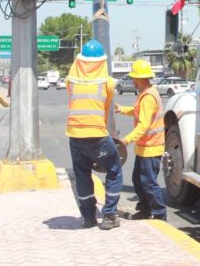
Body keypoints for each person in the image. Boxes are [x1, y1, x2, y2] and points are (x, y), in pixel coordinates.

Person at [65, 39, 123, 231]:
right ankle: (109, 215)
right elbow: (106, 111)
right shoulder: (107, 83)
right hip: (98, 136)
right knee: (114, 169)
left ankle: (88, 217)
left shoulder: (70, 81)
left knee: (82, 175)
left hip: (75, 136)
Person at [115, 59, 167, 221]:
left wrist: (127, 140)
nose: (133, 81)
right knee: (138, 181)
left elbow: (144, 124)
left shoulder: (148, 97)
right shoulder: (146, 94)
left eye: (134, 78)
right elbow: (138, 112)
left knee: (149, 183)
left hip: (151, 147)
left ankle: (159, 213)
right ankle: (145, 209)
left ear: (140, 79)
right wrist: (121, 110)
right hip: (146, 146)